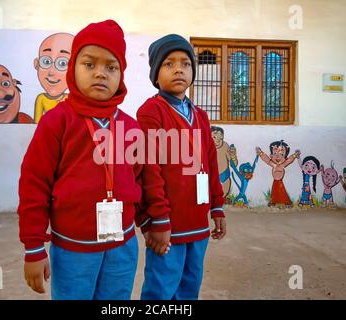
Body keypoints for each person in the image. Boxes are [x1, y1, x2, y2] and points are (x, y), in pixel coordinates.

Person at [18, 20, 142, 300]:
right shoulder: (56, 122)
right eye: (89, 64)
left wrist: (155, 221)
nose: (100, 73)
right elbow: (33, 185)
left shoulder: (131, 127)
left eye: (111, 67)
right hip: (73, 249)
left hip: (122, 246)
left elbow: (140, 179)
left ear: (121, 75)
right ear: (73, 67)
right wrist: (34, 246)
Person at [135, 34, 226, 300]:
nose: (178, 69)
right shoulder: (150, 112)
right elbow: (148, 170)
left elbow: (210, 162)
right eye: (168, 64)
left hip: (198, 222)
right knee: (161, 288)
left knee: (190, 286)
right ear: (155, 74)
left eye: (186, 64)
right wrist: (157, 220)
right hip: (167, 225)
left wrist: (217, 205)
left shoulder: (201, 116)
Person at [33, 33, 74, 123]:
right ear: (37, 64)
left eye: (63, 63)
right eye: (46, 61)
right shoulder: (41, 99)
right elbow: (36, 124)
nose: (51, 72)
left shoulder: (70, 99)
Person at [256, 140, 300, 207]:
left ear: (285, 157)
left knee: (281, 191)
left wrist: (295, 155)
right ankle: (273, 202)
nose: (278, 156)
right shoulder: (273, 164)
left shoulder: (283, 164)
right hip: (275, 180)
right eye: (275, 154)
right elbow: (266, 159)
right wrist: (260, 153)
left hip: (279, 181)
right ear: (271, 155)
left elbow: (289, 160)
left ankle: (286, 202)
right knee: (274, 191)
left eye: (281, 154)